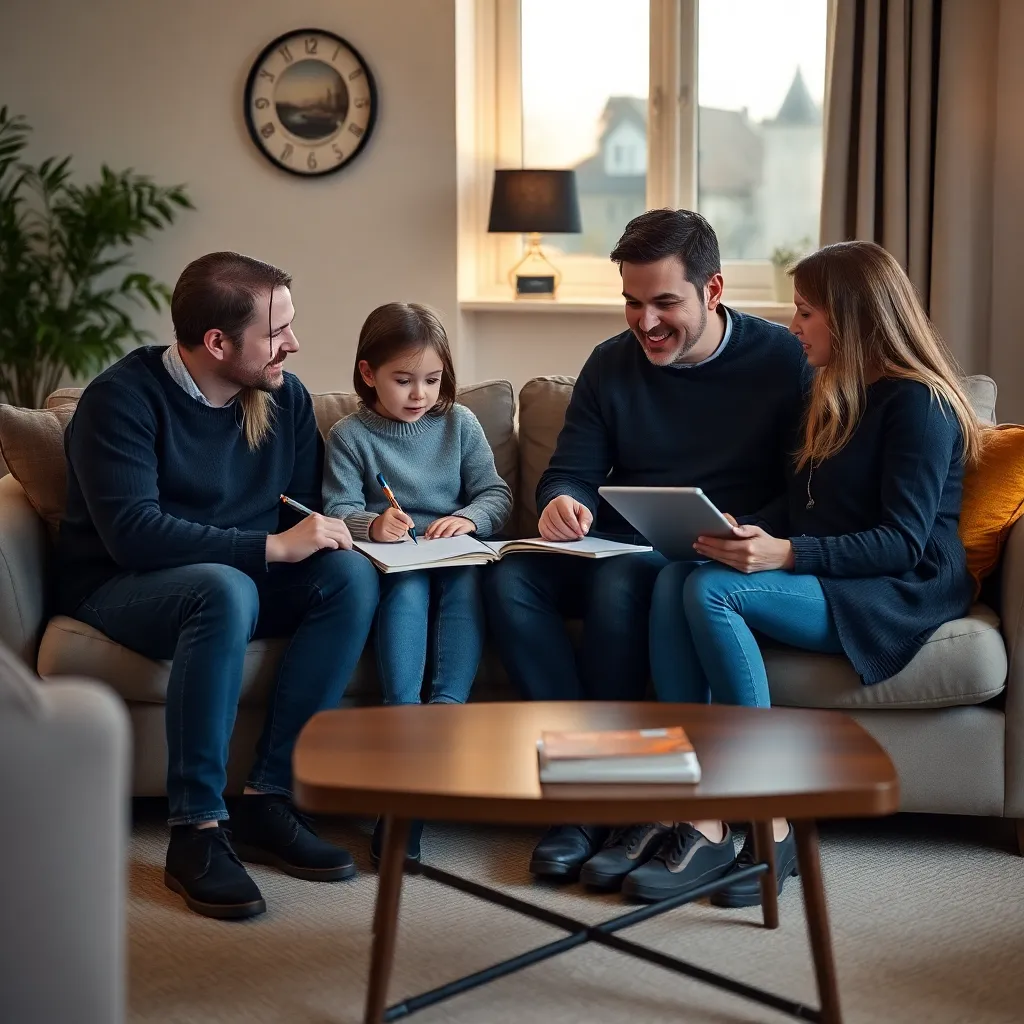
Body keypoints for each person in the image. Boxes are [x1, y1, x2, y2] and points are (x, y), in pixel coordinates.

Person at [626, 239, 983, 905]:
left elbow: (902, 543)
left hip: (895, 591)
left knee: (713, 591)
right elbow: (799, 507)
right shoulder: (829, 391)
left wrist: (785, 554)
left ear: (854, 318)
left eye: (806, 313)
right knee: (677, 574)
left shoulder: (919, 404)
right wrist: (735, 531)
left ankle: (768, 817)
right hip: (834, 571)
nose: (794, 328)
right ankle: (693, 807)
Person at [482, 209, 807, 884]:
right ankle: (588, 792)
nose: (646, 322)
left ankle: (609, 794)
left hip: (714, 551)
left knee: (626, 583)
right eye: (632, 303)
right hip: (621, 543)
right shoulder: (610, 364)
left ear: (713, 290)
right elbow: (570, 468)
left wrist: (748, 528)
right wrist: (559, 502)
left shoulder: (780, 360)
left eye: (665, 303)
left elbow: (804, 489)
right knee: (511, 581)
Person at [57, 252, 380, 921]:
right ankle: (197, 832)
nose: (293, 342)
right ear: (216, 343)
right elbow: (134, 535)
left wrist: (353, 527)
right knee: (223, 589)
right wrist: (267, 547)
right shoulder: (120, 400)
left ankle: (267, 799)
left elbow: (299, 502)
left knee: (347, 577)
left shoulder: (282, 397)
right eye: (275, 332)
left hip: (237, 573)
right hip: (125, 585)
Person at [323, 302, 512, 865]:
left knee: (465, 582)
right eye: (403, 381)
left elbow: (496, 495)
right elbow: (339, 507)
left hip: (454, 556)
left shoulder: (460, 424)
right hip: (397, 560)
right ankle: (402, 741)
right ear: (367, 374)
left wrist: (471, 518)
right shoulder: (350, 435)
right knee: (407, 590)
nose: (419, 395)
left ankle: (443, 718)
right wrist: (373, 524)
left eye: (431, 381)